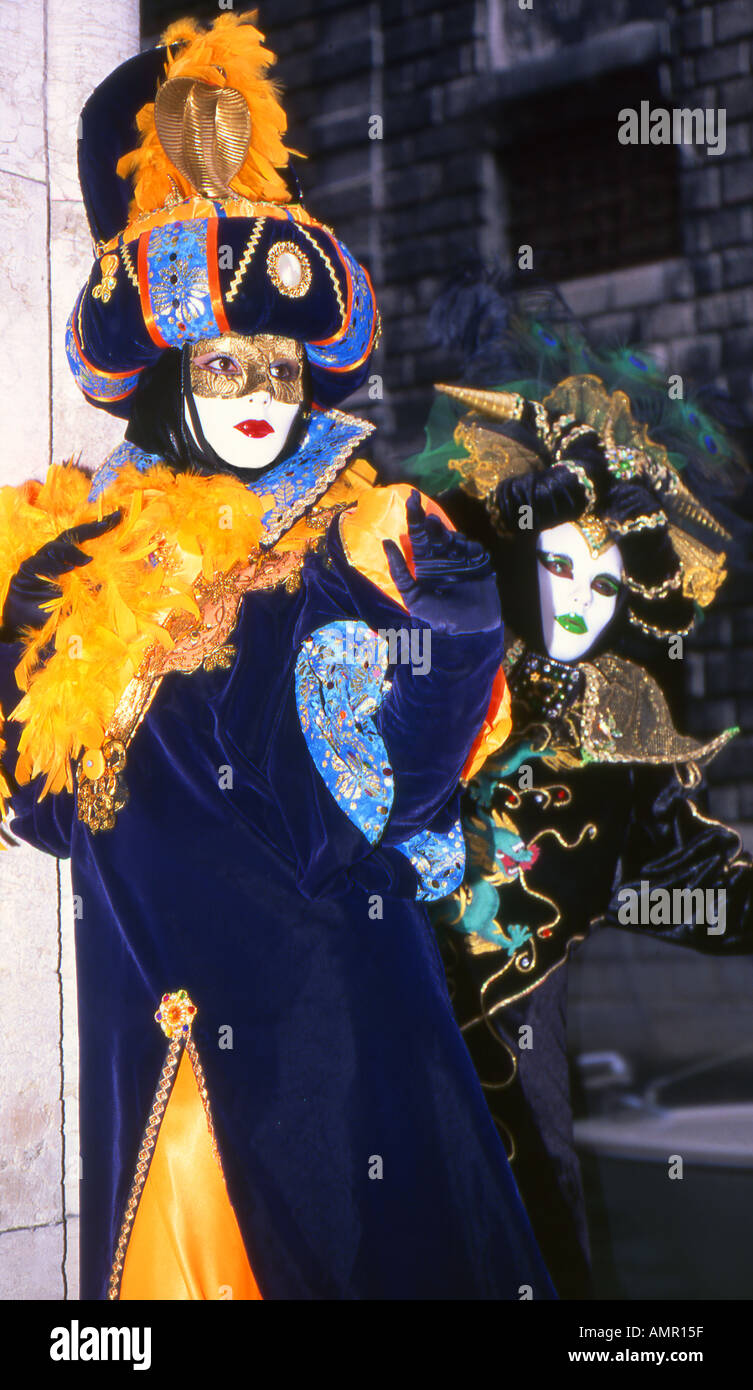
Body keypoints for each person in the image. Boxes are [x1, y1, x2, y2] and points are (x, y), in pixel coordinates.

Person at [0, 17, 553, 1301]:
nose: (257, 389)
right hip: (156, 1052)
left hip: (328, 1053)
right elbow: (42, 810)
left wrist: (452, 636)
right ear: (163, 377)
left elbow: (377, 809)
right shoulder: (84, 567)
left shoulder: (353, 542)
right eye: (222, 359)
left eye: (280, 363)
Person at [404, 280, 753, 1298]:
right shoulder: (440, 650)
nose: (583, 603)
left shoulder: (620, 722)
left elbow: (696, 877)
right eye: (563, 568)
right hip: (374, 1005)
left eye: (606, 583)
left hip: (516, 1054)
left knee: (521, 1239)